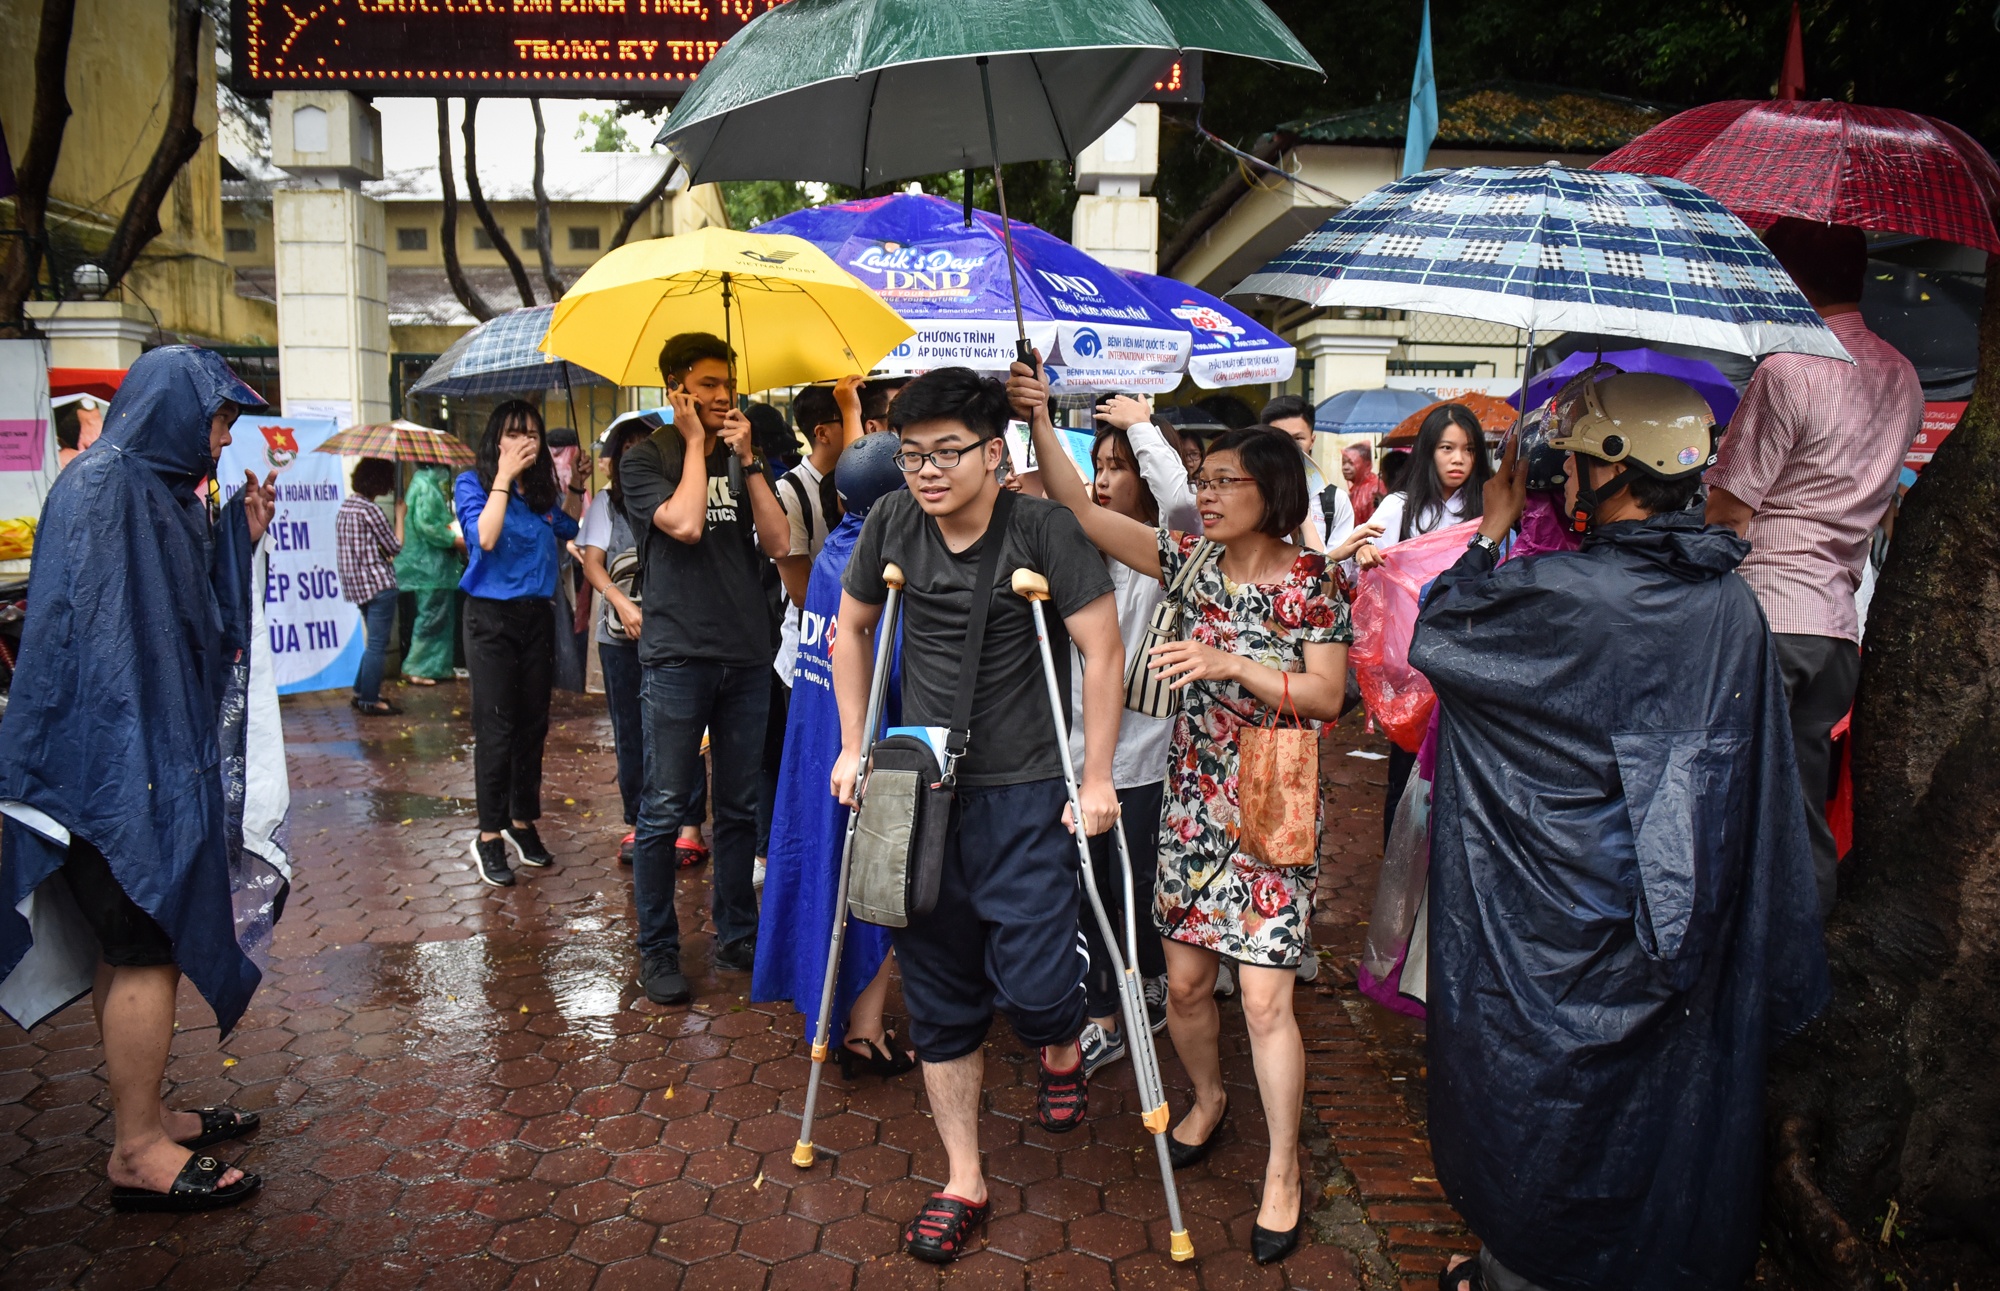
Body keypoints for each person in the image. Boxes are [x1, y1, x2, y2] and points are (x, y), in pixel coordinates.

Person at [1416, 373, 1829, 1291]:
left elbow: (1439, 633)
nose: (1559, 478)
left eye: (1570, 462)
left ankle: (1518, 1269)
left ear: (1612, 469)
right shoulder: (1733, 604)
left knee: (1546, 1096)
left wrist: (1491, 529)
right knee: (1655, 1106)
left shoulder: (1561, 588)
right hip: (1687, 911)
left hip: (1559, 919)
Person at [1016, 361, 1363, 1266]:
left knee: (1263, 998)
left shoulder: (1314, 581)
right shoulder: (1189, 561)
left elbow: (1327, 696)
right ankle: (1208, 1098)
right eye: (1200, 481)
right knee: (1183, 988)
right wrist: (1041, 420)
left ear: (1272, 490)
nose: (1204, 494)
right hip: (1193, 800)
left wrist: (1233, 667)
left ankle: (1282, 1170)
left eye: (1222, 481)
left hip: (1272, 802)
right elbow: (1083, 516)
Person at [831, 367, 1124, 1264]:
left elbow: (1102, 650)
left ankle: (1062, 1044)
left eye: (946, 452)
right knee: (942, 991)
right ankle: (965, 1176)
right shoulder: (891, 523)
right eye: (910, 453)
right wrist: (852, 745)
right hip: (916, 788)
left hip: (1025, 787)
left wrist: (1100, 774)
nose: (925, 470)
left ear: (995, 452)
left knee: (1038, 985)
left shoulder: (1044, 528)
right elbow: (853, 629)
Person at [0, 346, 277, 1211]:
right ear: (173, 409)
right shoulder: (106, 491)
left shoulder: (144, 491)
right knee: (144, 943)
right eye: (218, 419)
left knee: (131, 943)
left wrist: (238, 533)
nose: (225, 440)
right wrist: (146, 778)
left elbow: (188, 611)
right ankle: (138, 1148)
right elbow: (110, 652)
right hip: (113, 773)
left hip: (128, 767)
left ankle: (144, 1112)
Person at [1704, 218, 1923, 920]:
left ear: (1790, 279)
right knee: (1802, 807)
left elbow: (1729, 514)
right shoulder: (1903, 377)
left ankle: (1764, 985)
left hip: (1766, 618)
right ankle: (1802, 973)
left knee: (1743, 811)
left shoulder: (1787, 370)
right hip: (1835, 626)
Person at [620, 332, 791, 1005]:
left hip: (746, 653)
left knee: (740, 807)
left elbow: (779, 542)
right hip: (677, 654)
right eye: (709, 384)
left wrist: (748, 461)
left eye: (729, 384)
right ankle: (658, 947)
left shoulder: (744, 455)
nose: (724, 396)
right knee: (662, 809)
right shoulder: (646, 458)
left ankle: (736, 932)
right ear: (675, 387)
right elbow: (687, 525)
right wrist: (695, 444)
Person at [755, 431, 918, 1077]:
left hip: (819, 741)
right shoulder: (889, 573)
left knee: (829, 874)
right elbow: (902, 670)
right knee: (875, 884)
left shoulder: (832, 555)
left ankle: (836, 1011)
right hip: (868, 743)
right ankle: (865, 1031)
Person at [1064, 419, 1179, 1080]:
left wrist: (1141, 423)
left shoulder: (1165, 553)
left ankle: (1145, 982)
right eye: (1099, 465)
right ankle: (1107, 1009)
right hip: (1077, 750)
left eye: (1119, 465)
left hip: (1142, 755)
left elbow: (1185, 502)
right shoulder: (1076, 547)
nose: (1104, 479)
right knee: (1086, 887)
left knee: (1128, 885)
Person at [1354, 404, 1491, 848]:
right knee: (1407, 770)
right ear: (1427, 452)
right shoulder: (1399, 507)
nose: (1458, 459)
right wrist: (1365, 557)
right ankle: (1399, 862)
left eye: (1468, 449)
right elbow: (1368, 572)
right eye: (1447, 448)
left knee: (1458, 770)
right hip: (1411, 664)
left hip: (1471, 660)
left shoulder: (1489, 508)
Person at [456, 400, 579, 888]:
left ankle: (520, 821)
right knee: (496, 728)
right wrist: (504, 477)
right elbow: (483, 538)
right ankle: (488, 834)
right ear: (496, 439)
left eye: (532, 433)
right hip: (490, 620)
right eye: (514, 433)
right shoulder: (473, 484)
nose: (525, 441)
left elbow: (569, 528)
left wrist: (579, 486)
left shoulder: (542, 494)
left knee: (533, 725)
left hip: (537, 618)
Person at [579, 417, 657, 866]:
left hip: (668, 631)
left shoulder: (669, 494)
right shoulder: (605, 506)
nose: (635, 455)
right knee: (630, 731)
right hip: (619, 635)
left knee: (675, 728)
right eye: (627, 448)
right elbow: (593, 564)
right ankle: (638, 820)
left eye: (645, 446)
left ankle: (685, 824)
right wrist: (623, 605)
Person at [337, 456, 404, 716]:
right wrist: (400, 516)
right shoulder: (370, 509)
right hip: (378, 585)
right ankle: (369, 699)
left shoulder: (347, 507)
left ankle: (361, 689)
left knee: (373, 642)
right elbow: (395, 546)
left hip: (357, 586)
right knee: (378, 643)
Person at [395, 464, 464, 687]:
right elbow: (427, 526)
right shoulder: (426, 486)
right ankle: (417, 666)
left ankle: (437, 666)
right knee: (432, 616)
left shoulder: (425, 484)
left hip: (432, 566)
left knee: (439, 616)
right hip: (430, 565)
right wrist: (452, 538)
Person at [1261, 393, 1354, 553]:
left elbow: (1337, 571)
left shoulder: (1335, 500)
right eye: (1279, 438)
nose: (1289, 446)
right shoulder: (1251, 493)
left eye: (1298, 438)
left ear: (1312, 440)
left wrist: (1305, 518)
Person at [1343, 442, 1386, 524]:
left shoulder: (1375, 487)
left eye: (1351, 463)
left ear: (1365, 464)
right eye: (1343, 463)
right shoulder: (1356, 487)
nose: (1345, 468)